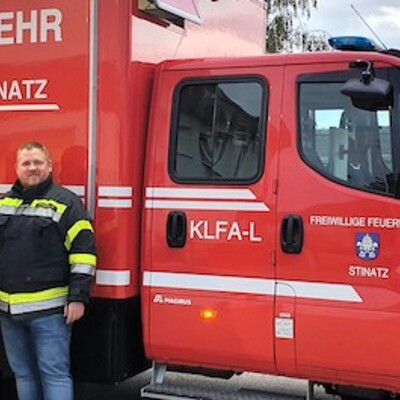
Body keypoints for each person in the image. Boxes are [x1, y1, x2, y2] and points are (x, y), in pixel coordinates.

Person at [0, 142, 97, 400]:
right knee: (23, 374)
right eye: (26, 163)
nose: (32, 168)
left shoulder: (67, 203)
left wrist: (78, 297)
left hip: (49, 312)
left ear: (49, 166)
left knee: (54, 374)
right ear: (17, 168)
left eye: (38, 162)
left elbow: (84, 254)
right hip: (8, 311)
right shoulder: (4, 203)